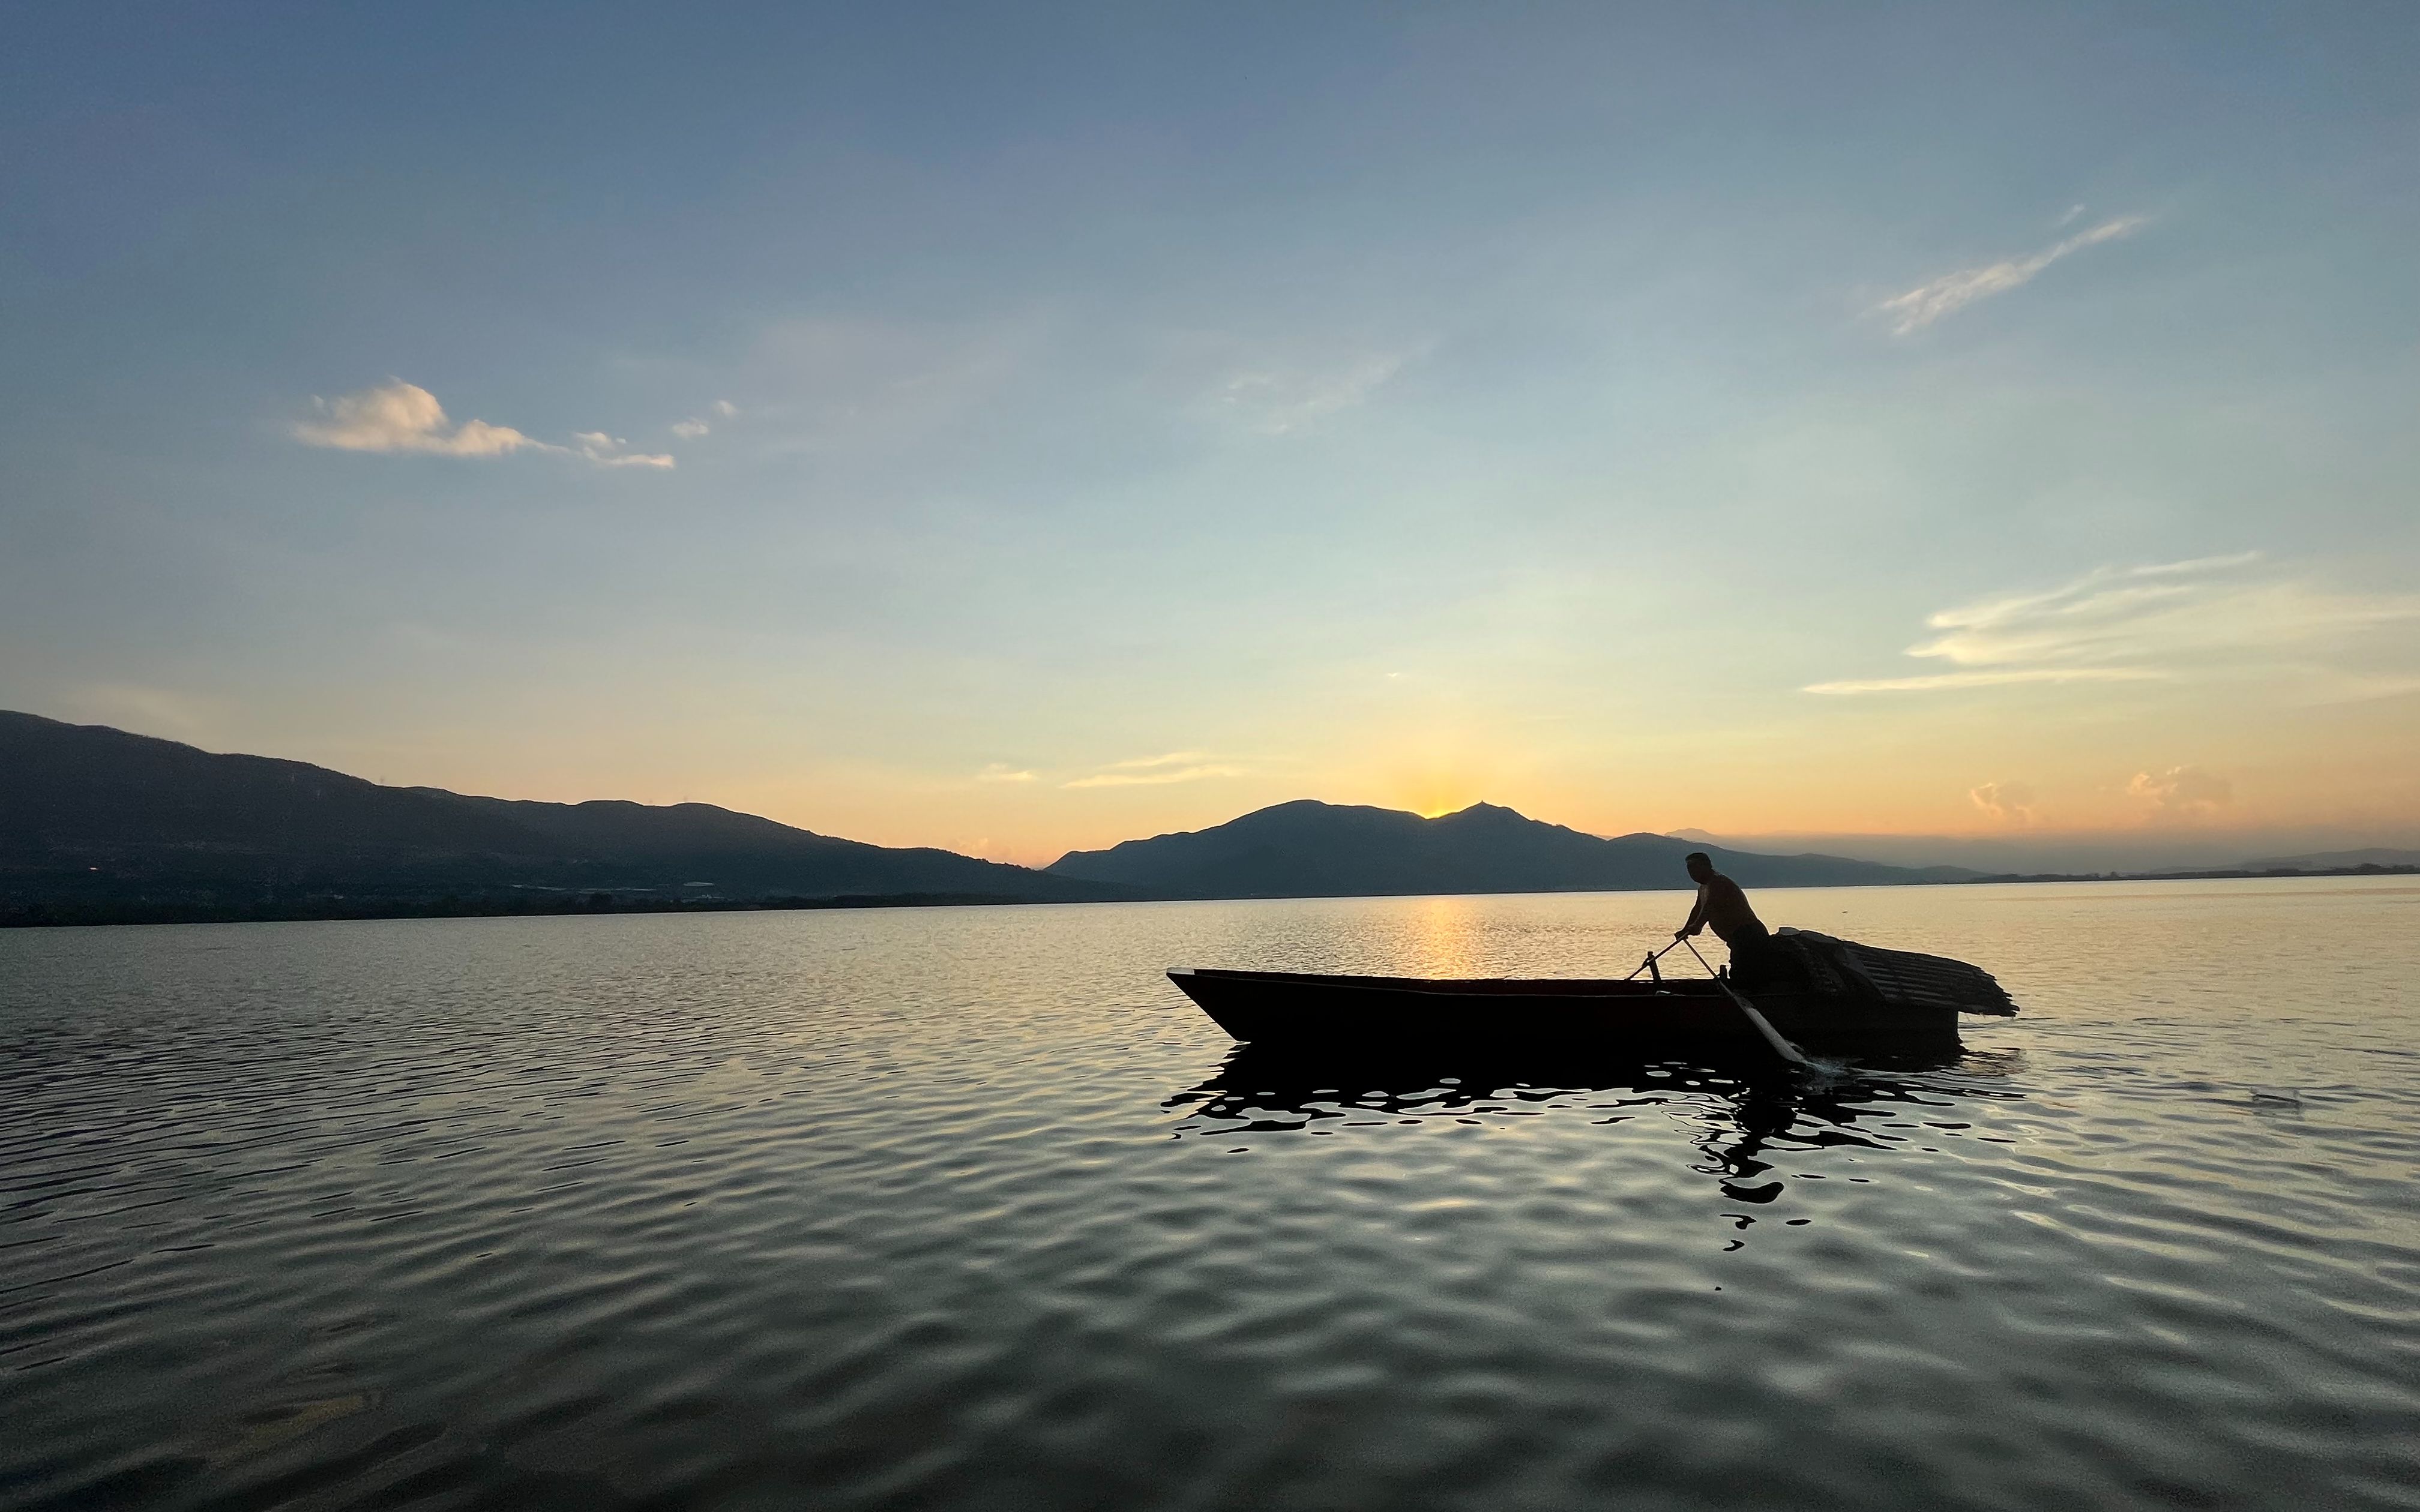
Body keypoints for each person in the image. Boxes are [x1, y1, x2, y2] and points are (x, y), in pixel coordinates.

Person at [1673, 851, 1785, 990]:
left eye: (1695, 867)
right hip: (1736, 938)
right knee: (1741, 972)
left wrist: (1698, 926)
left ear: (1707, 866)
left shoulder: (1718, 882)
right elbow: (1698, 909)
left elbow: (1710, 907)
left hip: (1748, 934)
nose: (1691, 871)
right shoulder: (1704, 887)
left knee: (1745, 975)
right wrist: (1686, 929)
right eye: (1689, 868)